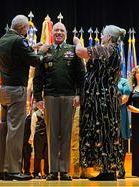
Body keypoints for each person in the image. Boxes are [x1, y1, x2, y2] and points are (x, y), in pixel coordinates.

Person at [0, 14, 50, 181]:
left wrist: (32, 48)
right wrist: (41, 52)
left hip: (4, 90)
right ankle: (12, 170)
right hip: (17, 89)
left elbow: (16, 56)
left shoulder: (3, 39)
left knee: (3, 129)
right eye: (27, 28)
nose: (27, 31)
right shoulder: (19, 40)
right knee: (16, 130)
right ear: (22, 28)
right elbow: (34, 61)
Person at [33, 22, 86, 181]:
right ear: (52, 33)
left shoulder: (72, 50)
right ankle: (52, 170)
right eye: (56, 30)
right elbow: (38, 77)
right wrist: (37, 98)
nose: (58, 32)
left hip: (69, 97)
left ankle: (64, 171)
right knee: (52, 134)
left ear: (66, 33)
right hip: (50, 96)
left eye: (61, 30)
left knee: (66, 133)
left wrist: (79, 95)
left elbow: (81, 75)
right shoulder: (45, 51)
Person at [73, 25, 126, 181]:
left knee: (103, 130)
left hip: (102, 98)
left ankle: (108, 170)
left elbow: (80, 52)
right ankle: (106, 169)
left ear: (108, 37)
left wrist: (77, 41)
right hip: (104, 96)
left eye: (103, 35)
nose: (101, 37)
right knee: (106, 130)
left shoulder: (107, 49)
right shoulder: (114, 50)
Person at [117, 76, 131, 179]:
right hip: (107, 113)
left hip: (120, 112)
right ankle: (110, 168)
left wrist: (112, 105)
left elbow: (126, 97)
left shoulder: (124, 81)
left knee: (122, 139)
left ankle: (121, 167)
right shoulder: (106, 78)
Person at [28, 107, 49, 179]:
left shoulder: (49, 113)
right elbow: (32, 127)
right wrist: (31, 138)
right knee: (38, 155)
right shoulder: (35, 114)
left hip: (47, 136)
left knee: (47, 156)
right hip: (38, 137)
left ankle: (47, 172)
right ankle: (36, 172)